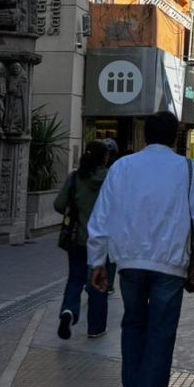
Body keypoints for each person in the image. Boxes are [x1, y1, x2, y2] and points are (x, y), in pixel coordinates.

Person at [88, 111, 194, 387]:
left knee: (133, 326)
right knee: (160, 334)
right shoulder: (188, 169)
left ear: (145, 135)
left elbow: (102, 216)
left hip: (129, 261)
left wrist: (97, 262)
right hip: (170, 264)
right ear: (175, 136)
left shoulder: (122, 167)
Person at [54, 140, 115, 340]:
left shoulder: (75, 178)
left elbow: (59, 204)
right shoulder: (110, 178)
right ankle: (95, 328)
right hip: (103, 240)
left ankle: (69, 311)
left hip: (77, 239)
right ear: (104, 158)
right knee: (98, 283)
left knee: (75, 278)